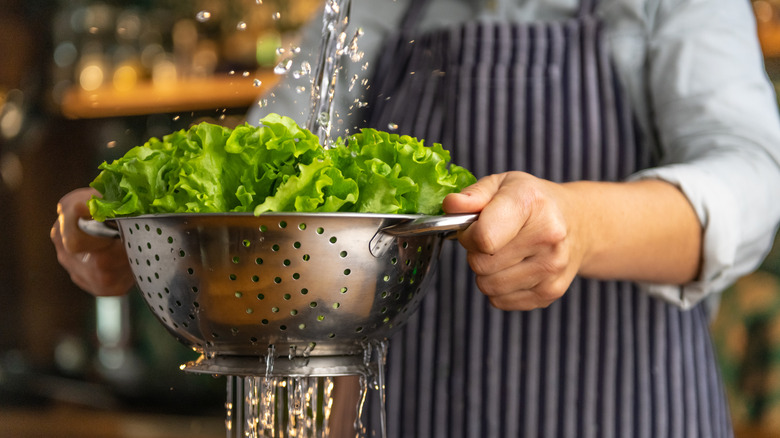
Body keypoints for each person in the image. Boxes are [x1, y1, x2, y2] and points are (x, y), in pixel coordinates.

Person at [52, 0, 780, 436]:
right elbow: (275, 162)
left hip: (624, 413)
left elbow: (753, 183)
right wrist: (148, 223)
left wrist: (582, 223)